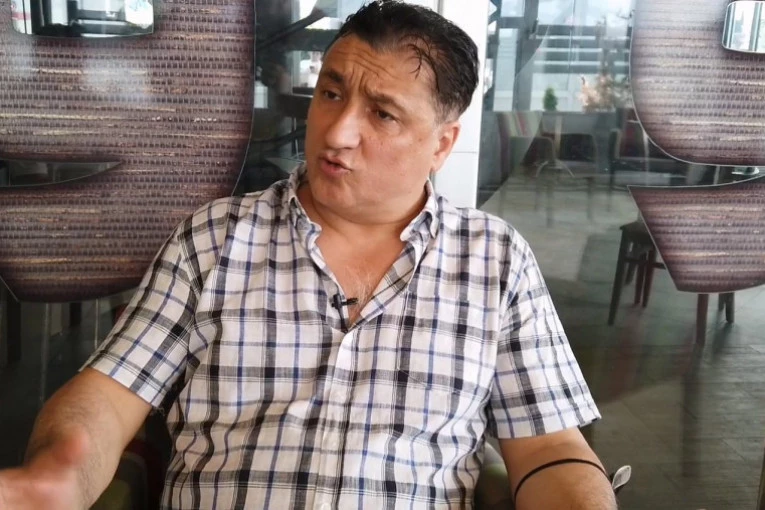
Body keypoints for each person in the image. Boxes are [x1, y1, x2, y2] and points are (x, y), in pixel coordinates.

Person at [0, 2, 617, 509]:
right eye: (330, 93)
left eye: (382, 114)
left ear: (441, 144)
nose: (337, 131)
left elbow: (548, 448)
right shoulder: (214, 239)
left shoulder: (495, 262)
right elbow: (107, 397)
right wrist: (58, 475)